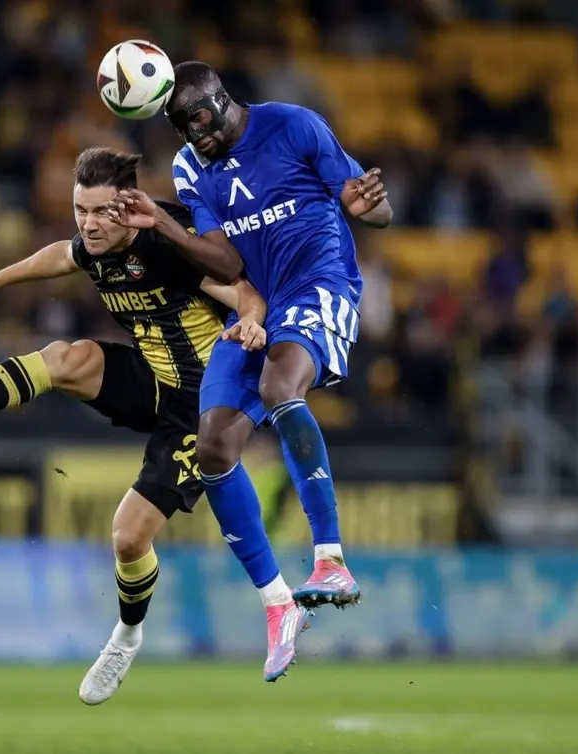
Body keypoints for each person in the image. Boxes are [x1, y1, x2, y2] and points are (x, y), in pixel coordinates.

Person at [0, 147, 277, 703]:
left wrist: (253, 322)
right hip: (151, 378)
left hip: (203, 407)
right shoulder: (95, 245)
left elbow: (241, 289)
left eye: (100, 212)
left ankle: (126, 637)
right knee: (66, 358)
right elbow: (60, 255)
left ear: (128, 206)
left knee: (127, 536)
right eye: (80, 210)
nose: (89, 224)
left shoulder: (167, 245)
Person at [107, 62, 391, 629]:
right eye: (181, 126)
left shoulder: (294, 125)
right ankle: (278, 604)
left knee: (279, 385)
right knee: (212, 444)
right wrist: (163, 223)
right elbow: (226, 262)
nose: (194, 133)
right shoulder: (190, 166)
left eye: (199, 118)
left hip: (319, 283)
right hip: (257, 306)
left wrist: (372, 210)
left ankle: (331, 560)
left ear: (221, 98)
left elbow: (372, 204)